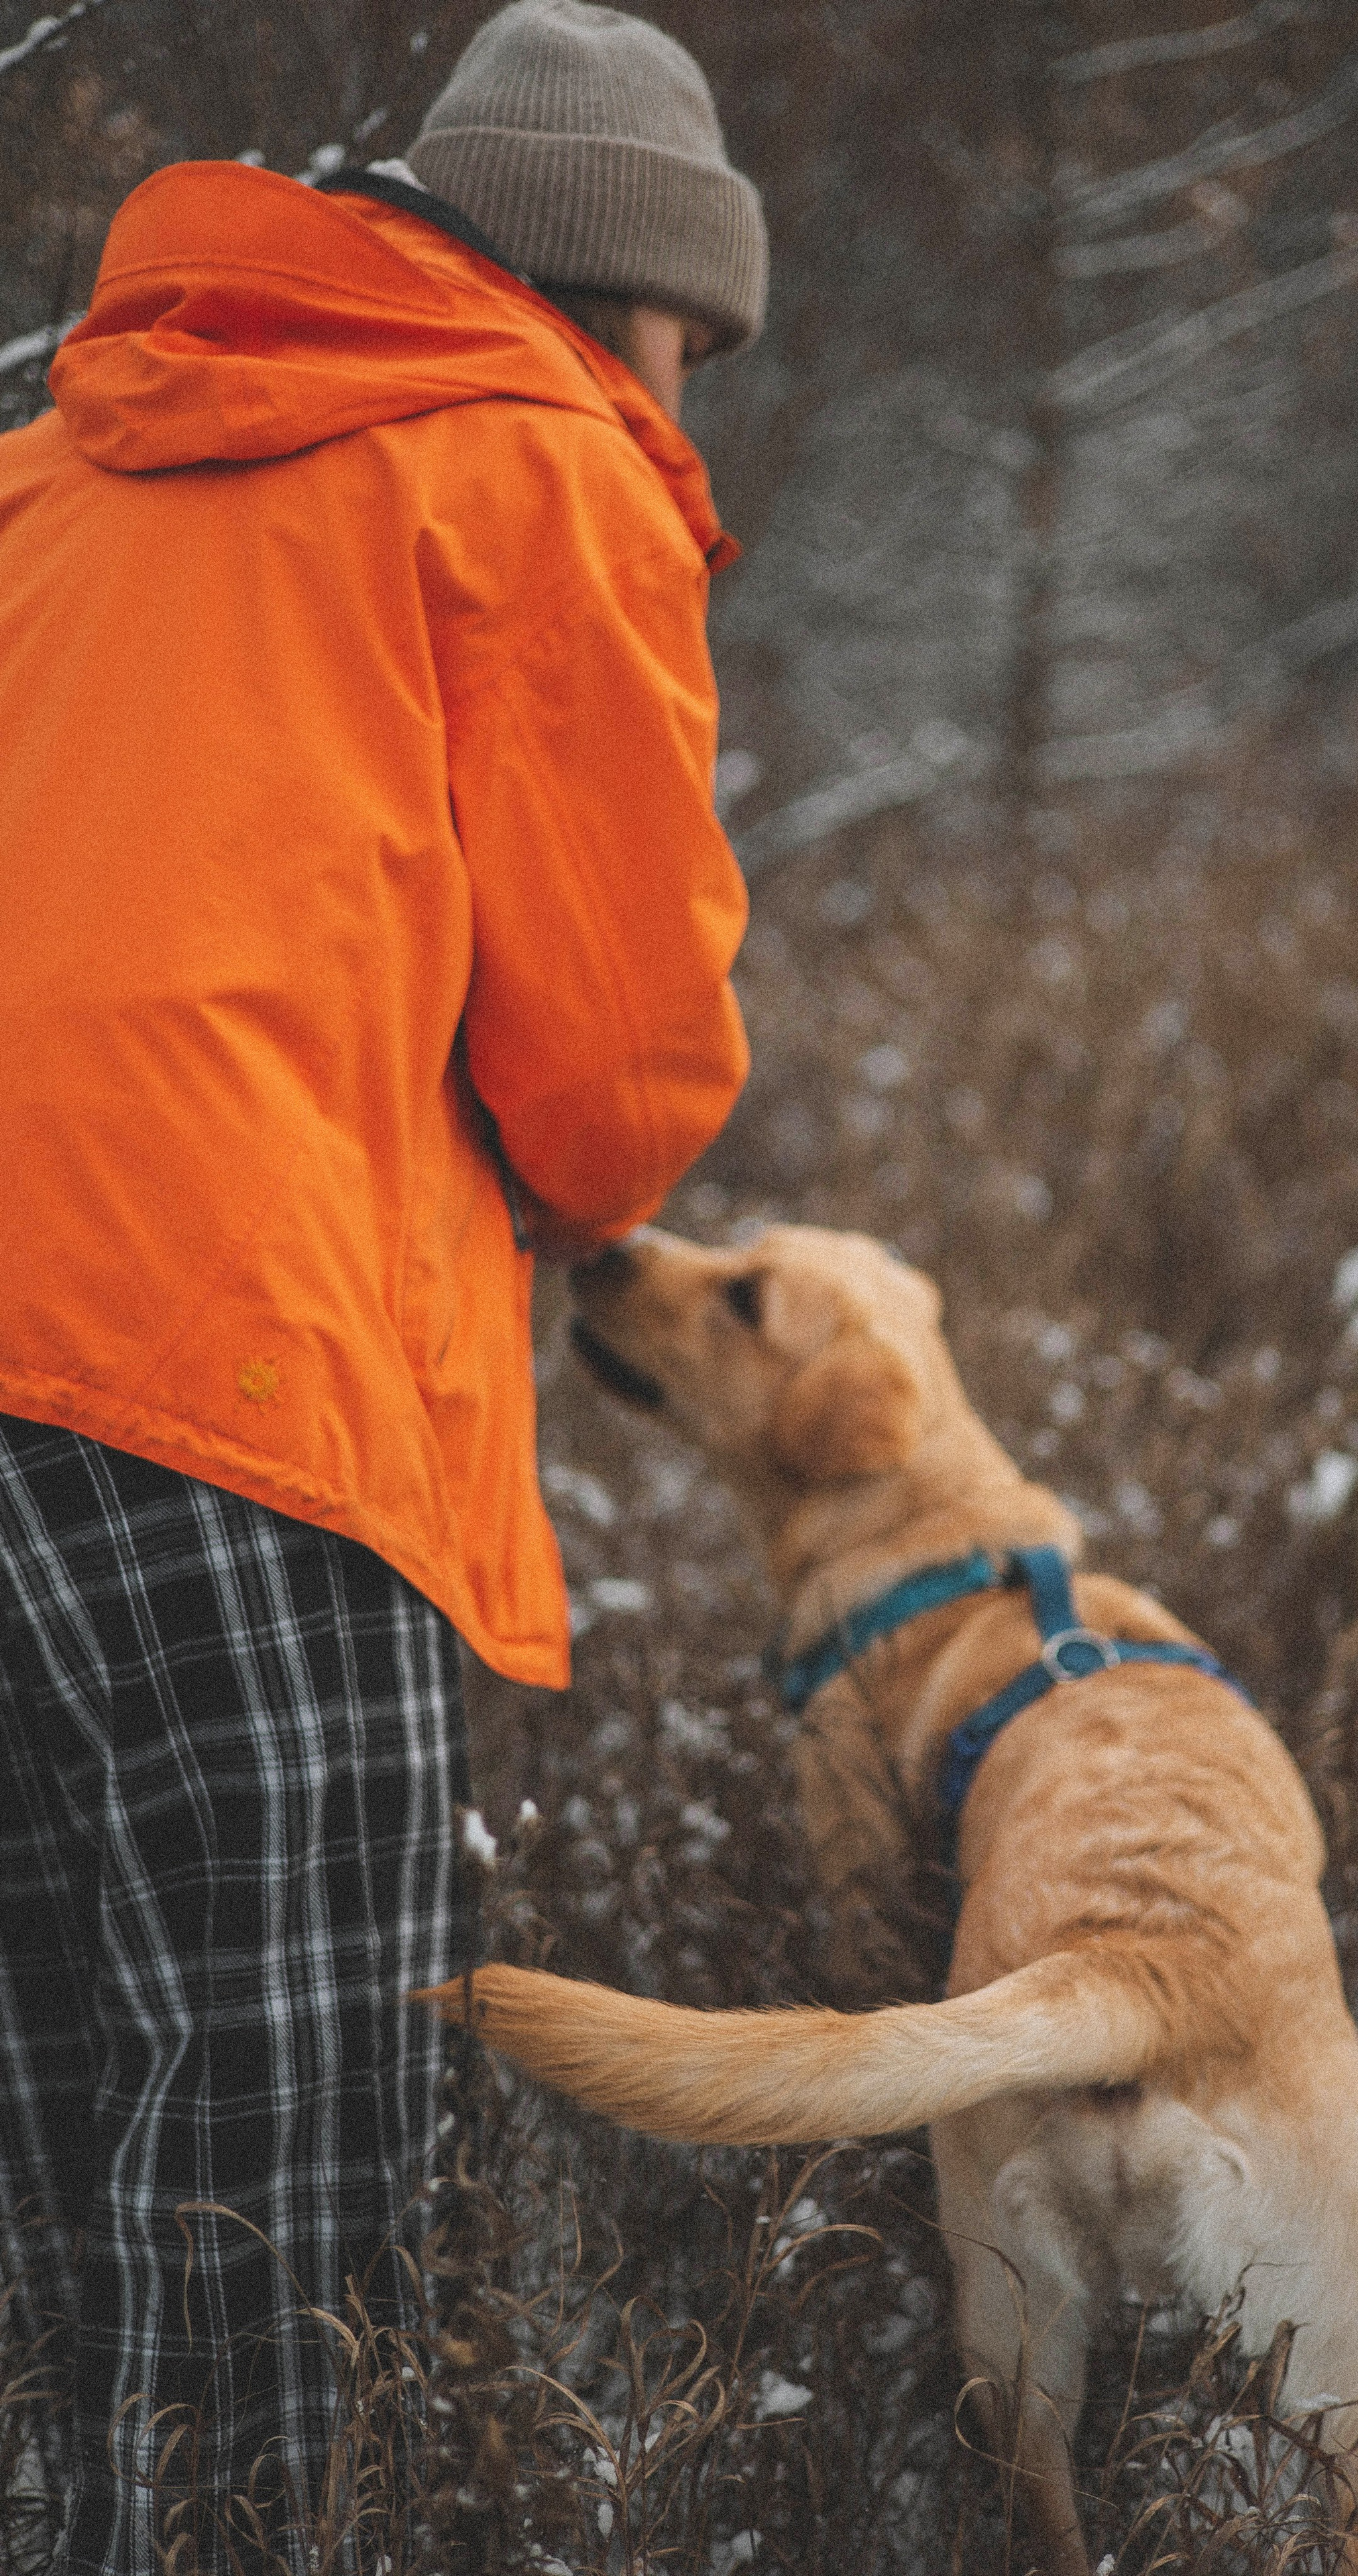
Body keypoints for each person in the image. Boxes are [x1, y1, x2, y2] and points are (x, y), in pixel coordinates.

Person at [0, 5, 766, 2566]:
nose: (693, 400)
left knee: (78, 2220)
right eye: (695, 340)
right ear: (607, 286)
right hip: (232, 1371)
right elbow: (624, 1072)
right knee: (286, 2232)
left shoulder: (59, 464)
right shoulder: (534, 453)